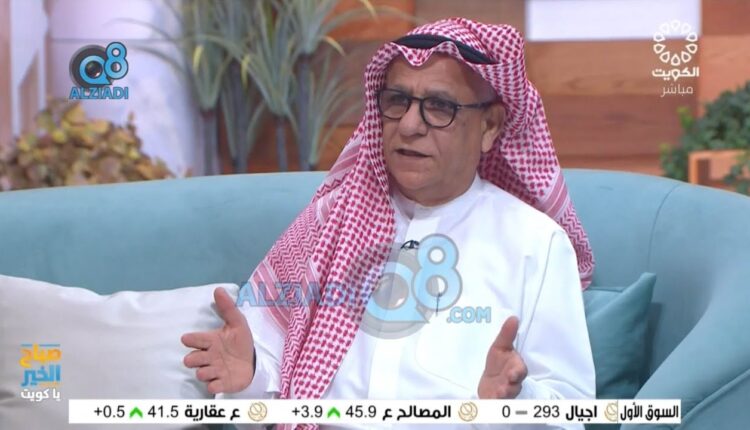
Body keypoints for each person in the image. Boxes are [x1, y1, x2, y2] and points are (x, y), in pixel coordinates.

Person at [181, 18, 596, 430]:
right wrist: (251, 376)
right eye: (398, 101)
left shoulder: (535, 242)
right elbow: (268, 379)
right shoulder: (333, 220)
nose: (410, 126)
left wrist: (510, 405)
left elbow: (570, 411)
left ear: (489, 127)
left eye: (440, 107)